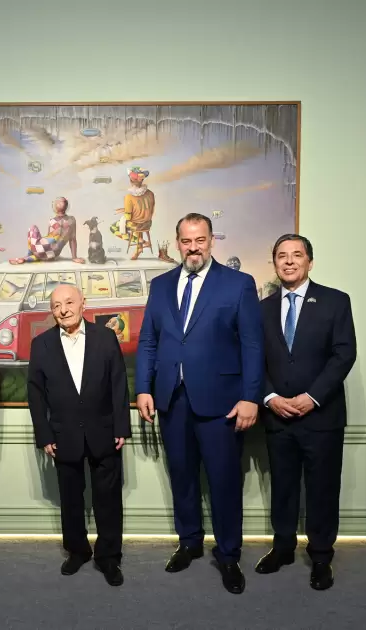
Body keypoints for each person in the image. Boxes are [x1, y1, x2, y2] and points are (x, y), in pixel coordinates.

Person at [135, 212, 264, 595]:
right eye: (187, 241)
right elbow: (149, 341)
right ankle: (189, 541)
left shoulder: (238, 284)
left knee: (224, 481)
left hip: (222, 402)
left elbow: (252, 345)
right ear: (178, 243)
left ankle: (228, 554)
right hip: (171, 399)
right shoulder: (160, 285)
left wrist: (250, 397)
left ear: (211, 241)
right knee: (182, 475)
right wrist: (143, 388)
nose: (194, 248)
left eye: (200, 240)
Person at [255, 234, 356, 591]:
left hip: (322, 417)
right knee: (282, 487)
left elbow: (344, 354)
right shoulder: (261, 309)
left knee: (322, 489)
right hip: (277, 415)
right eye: (281, 255)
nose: (289, 261)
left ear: (310, 262)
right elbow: (253, 359)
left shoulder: (335, 301)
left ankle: (321, 556)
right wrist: (269, 397)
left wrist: (312, 397)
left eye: (297, 255)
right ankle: (282, 548)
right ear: (275, 263)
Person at [27, 284, 131, 587]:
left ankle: (108, 556)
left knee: (108, 499)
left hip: (105, 431)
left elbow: (118, 384)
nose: (63, 310)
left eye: (69, 302)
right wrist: (44, 434)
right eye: (56, 305)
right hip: (63, 435)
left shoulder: (105, 337)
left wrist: (121, 427)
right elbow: (35, 394)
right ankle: (77, 551)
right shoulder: (41, 344)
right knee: (70, 499)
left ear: (83, 303)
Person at [10, 196, 85, 264]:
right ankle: (25, 259)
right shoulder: (72, 220)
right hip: (53, 255)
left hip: (40, 250)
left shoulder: (52, 221)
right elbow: (73, 240)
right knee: (45, 250)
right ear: (66, 207)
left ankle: (27, 256)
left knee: (33, 228)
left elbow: (49, 239)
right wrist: (74, 257)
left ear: (55, 208)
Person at [109, 166, 156, 260]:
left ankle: (140, 241)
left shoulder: (129, 197)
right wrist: (125, 209)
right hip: (147, 223)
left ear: (131, 180)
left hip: (135, 225)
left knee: (113, 228)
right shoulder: (150, 193)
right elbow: (149, 209)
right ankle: (139, 248)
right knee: (138, 222)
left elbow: (128, 217)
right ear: (142, 180)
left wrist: (125, 211)